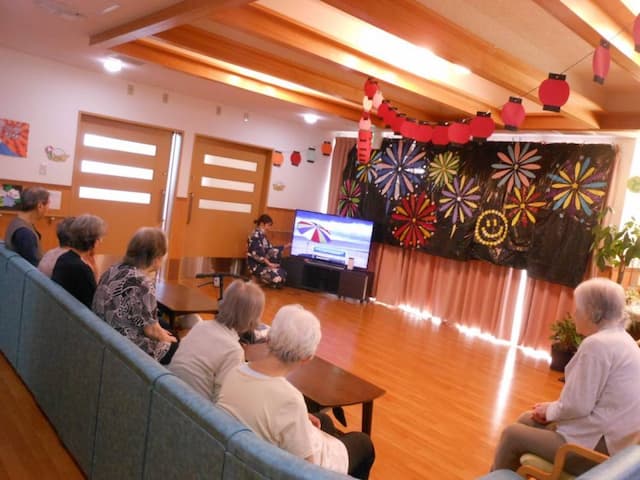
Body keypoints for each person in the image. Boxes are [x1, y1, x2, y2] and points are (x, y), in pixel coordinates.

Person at [491, 277, 640, 475]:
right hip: (615, 442)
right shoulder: (623, 339)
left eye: (579, 308)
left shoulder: (597, 345)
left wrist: (550, 411)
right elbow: (588, 399)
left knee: (512, 435)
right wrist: (550, 409)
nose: (575, 313)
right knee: (527, 419)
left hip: (595, 448)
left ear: (594, 312)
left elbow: (578, 405)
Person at [218, 304, 375, 479]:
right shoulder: (290, 399)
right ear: (307, 358)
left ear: (268, 338)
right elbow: (306, 471)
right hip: (286, 466)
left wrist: (301, 417)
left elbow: (261, 407)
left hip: (241, 454)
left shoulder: (235, 372)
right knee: (363, 443)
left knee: (325, 421)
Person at [168, 279, 265, 402]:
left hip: (168, 391)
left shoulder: (200, 326)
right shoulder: (233, 350)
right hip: (193, 407)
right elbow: (223, 399)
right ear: (252, 319)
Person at [92, 227, 178, 365]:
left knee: (166, 328)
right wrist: (171, 340)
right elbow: (151, 331)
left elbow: (146, 320)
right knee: (175, 346)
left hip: (104, 332)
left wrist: (161, 332)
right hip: (125, 345)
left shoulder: (114, 269)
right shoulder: (142, 282)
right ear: (156, 258)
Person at [51, 214, 106, 308]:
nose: (101, 241)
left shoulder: (63, 258)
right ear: (94, 241)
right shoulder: (81, 268)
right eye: (100, 238)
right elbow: (94, 303)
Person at [4, 186, 50, 266]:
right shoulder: (25, 233)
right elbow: (33, 266)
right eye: (48, 204)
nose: (48, 208)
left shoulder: (17, 222)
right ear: (40, 206)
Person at [247, 213, 288, 288]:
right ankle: (255, 279)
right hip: (255, 265)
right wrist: (269, 264)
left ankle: (263, 280)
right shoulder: (254, 236)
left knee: (283, 273)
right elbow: (256, 254)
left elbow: (270, 249)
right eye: (268, 225)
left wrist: (285, 246)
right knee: (277, 277)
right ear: (262, 224)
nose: (269, 228)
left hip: (264, 264)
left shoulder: (262, 236)